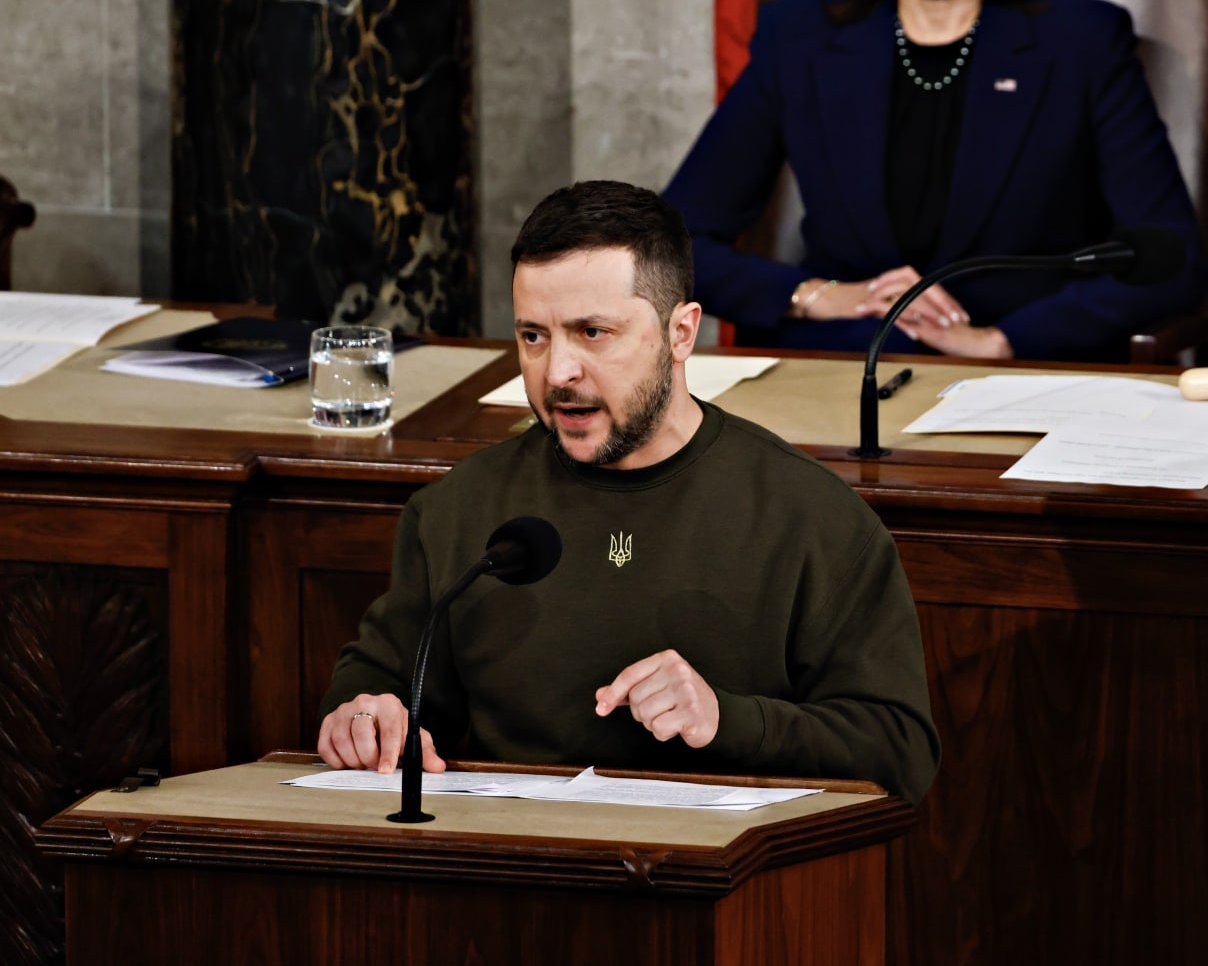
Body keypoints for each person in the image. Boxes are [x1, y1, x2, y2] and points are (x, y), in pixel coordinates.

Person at [317, 182, 940, 804]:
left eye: (593, 333)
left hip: (725, 879)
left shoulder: (811, 518)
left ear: (681, 333)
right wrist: (364, 717)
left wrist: (728, 719)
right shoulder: (459, 508)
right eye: (533, 336)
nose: (557, 372)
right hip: (510, 867)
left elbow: (901, 749)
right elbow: (380, 677)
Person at [662, 0, 1206, 362]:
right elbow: (673, 243)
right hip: (840, 368)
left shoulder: (1082, 44)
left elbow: (1171, 258)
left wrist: (1004, 341)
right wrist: (813, 295)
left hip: (1011, 382)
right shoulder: (801, 39)